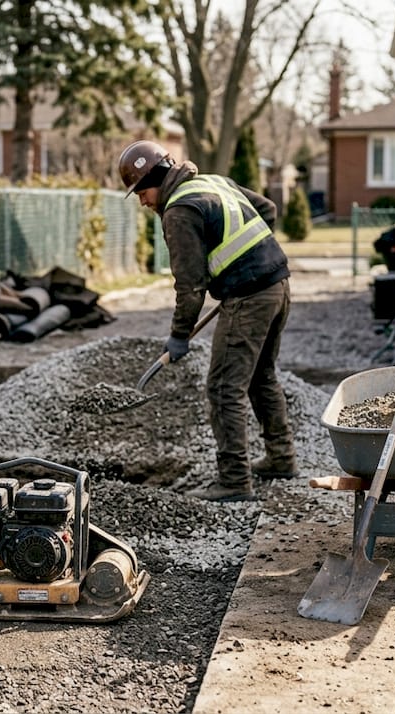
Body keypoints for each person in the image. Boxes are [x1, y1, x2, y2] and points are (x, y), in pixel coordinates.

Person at [117, 140, 298, 503]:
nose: (143, 201)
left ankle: (233, 479)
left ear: (156, 178)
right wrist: (251, 261)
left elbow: (190, 285)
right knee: (261, 376)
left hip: (249, 299)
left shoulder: (180, 211)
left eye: (142, 191)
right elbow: (268, 209)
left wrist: (179, 335)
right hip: (277, 287)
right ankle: (281, 458)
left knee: (222, 387)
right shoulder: (214, 182)